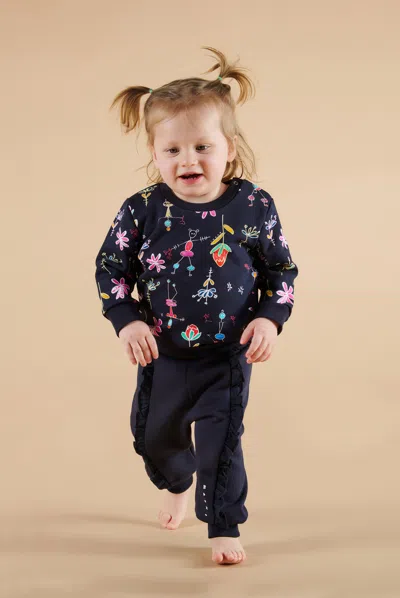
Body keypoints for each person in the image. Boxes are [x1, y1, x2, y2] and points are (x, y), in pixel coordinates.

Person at [94, 46, 299, 565]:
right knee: (152, 440)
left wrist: (269, 319)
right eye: (173, 150)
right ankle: (176, 481)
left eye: (203, 146)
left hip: (227, 357)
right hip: (162, 355)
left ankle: (223, 526)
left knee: (221, 446)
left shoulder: (254, 206)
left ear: (229, 148)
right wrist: (126, 321)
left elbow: (281, 273)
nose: (188, 160)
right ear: (155, 152)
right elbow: (110, 269)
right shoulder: (142, 210)